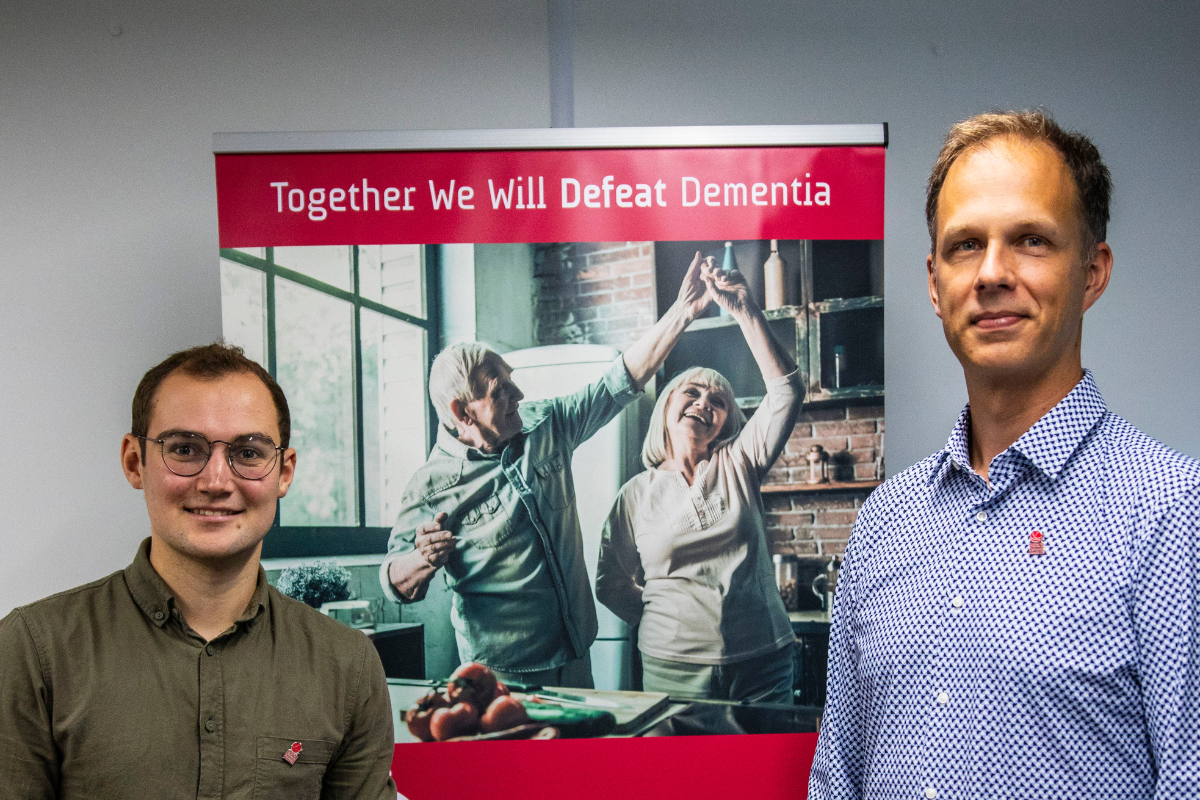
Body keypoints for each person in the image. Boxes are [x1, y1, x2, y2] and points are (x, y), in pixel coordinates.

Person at [810, 110, 1200, 799]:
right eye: (965, 245)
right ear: (935, 284)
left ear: (1093, 272)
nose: (992, 273)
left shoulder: (1171, 516)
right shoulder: (884, 527)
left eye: (1030, 240)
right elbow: (836, 780)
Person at [0, 343, 397, 800]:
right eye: (185, 449)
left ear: (284, 473)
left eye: (248, 453)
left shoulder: (345, 664)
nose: (215, 482)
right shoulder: (34, 652)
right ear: (135, 462)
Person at [380, 254, 714, 688]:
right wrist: (421, 559)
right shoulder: (430, 486)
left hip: (576, 653)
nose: (519, 393)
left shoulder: (546, 424)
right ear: (462, 412)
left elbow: (618, 381)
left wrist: (682, 313)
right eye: (501, 391)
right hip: (502, 674)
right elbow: (394, 582)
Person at [595, 264, 802, 703]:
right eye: (692, 392)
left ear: (727, 421)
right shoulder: (634, 495)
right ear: (666, 406)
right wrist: (665, 620)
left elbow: (786, 391)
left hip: (762, 662)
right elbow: (610, 584)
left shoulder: (740, 461)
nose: (704, 402)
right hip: (671, 668)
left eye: (718, 401)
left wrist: (746, 311)